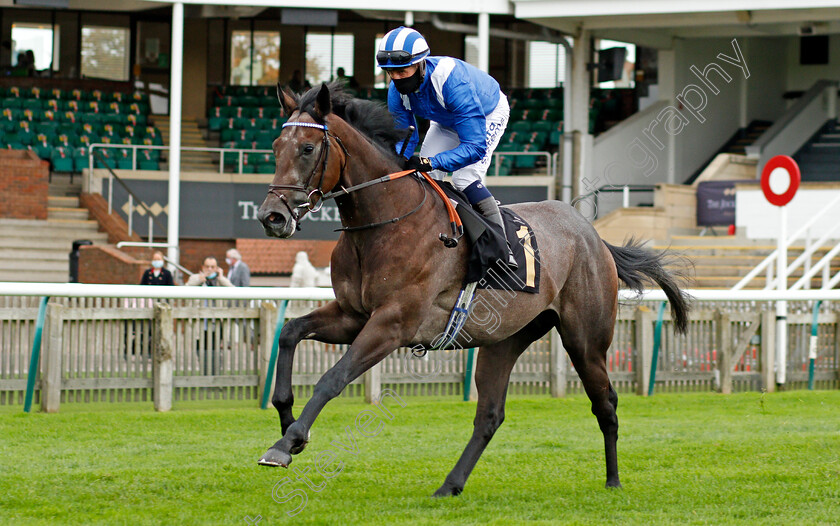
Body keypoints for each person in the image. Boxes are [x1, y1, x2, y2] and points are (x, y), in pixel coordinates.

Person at [376, 26, 517, 268]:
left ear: (421, 64)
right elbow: (405, 136)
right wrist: (400, 161)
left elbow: (474, 146)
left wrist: (433, 161)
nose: (397, 78)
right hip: (445, 120)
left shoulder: (452, 82)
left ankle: (503, 248)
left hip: (487, 114)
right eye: (391, 72)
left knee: (464, 179)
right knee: (425, 177)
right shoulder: (395, 92)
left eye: (402, 70)